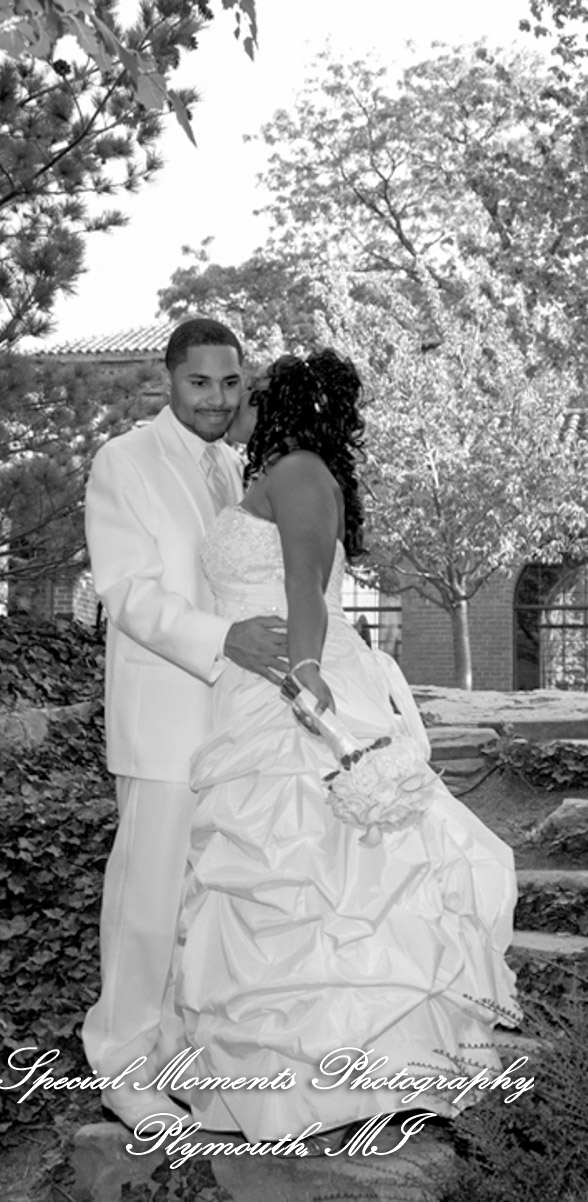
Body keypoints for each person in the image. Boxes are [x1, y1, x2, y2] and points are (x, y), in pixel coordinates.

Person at [175, 349, 517, 1139]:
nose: (241, 409)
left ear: (283, 406)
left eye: (252, 396)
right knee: (298, 878)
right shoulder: (300, 471)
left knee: (316, 876)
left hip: (294, 684)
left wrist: (300, 675)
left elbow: (303, 583)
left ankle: (339, 1081)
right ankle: (308, 1083)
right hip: (261, 680)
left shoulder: (295, 470)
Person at [80, 317, 286, 1128]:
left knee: (207, 901)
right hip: (164, 716)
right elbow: (126, 592)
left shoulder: (238, 469)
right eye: (200, 382)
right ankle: (121, 1066)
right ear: (169, 379)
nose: (216, 398)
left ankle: (183, 1059)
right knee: (147, 898)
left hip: (239, 723)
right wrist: (222, 639)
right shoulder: (124, 461)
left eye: (231, 383)